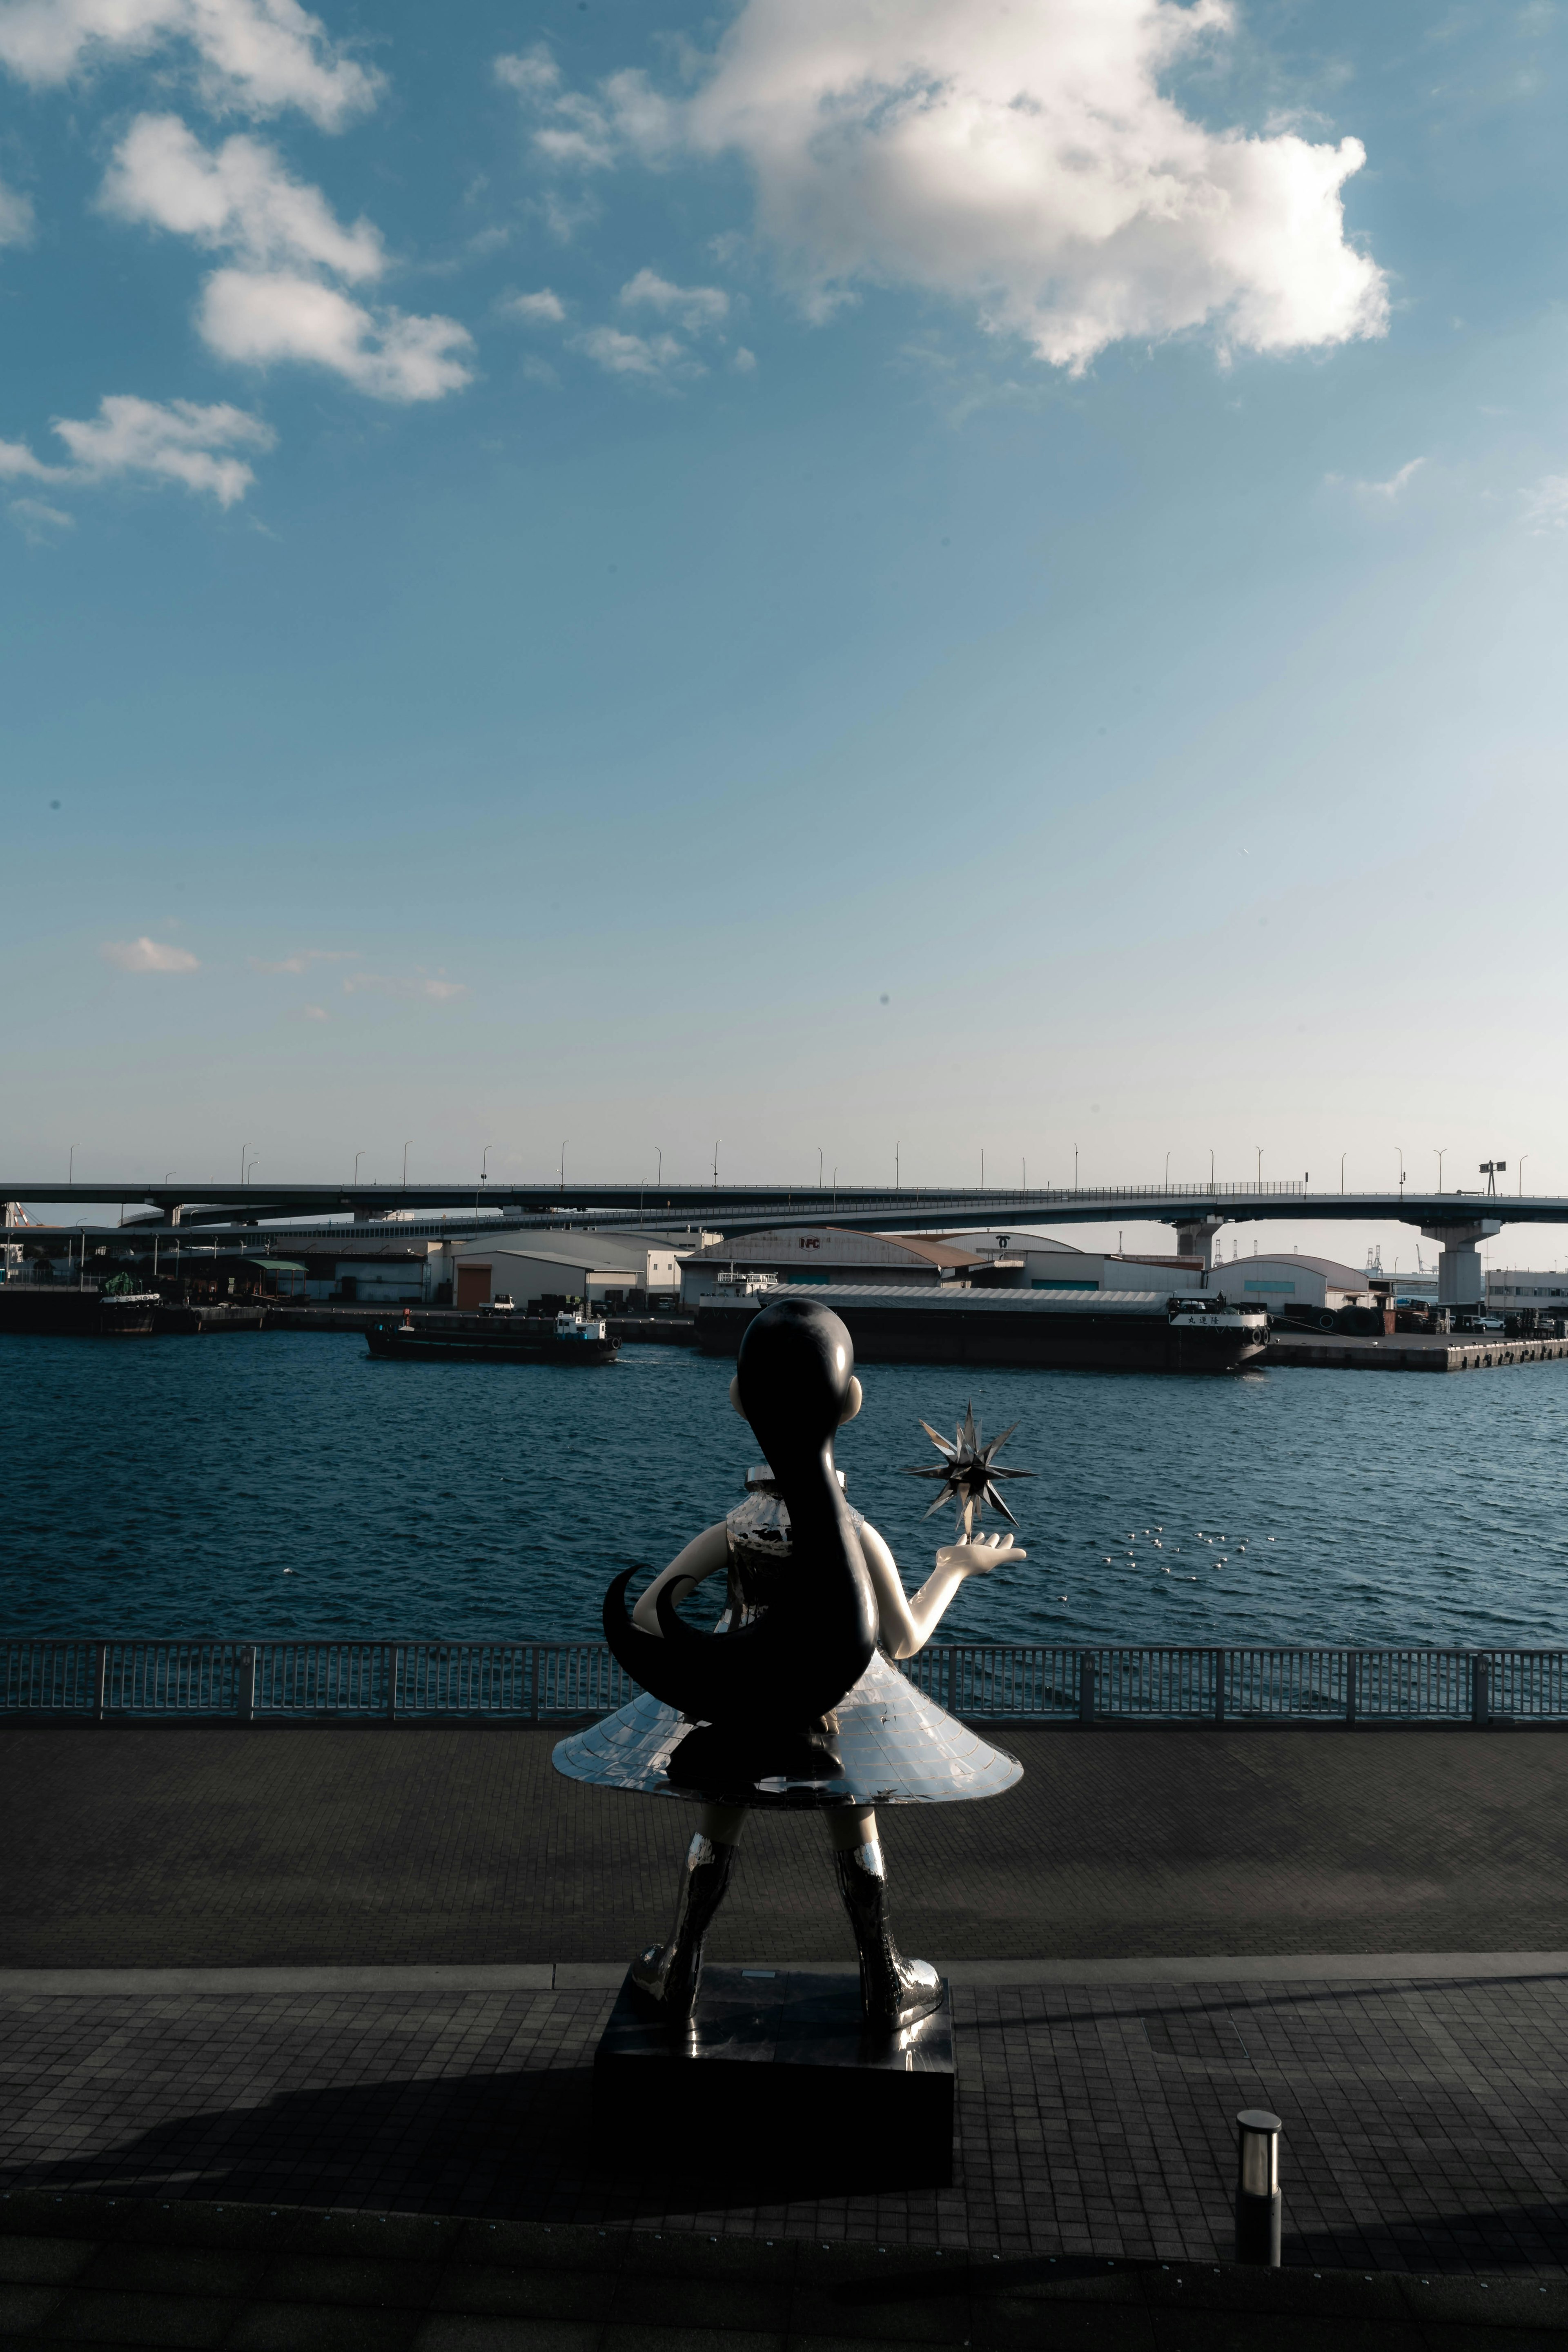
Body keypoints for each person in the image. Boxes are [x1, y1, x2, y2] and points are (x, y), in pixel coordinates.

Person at [555, 1302, 1025, 2034]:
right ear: (852, 1402)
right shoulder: (855, 1534)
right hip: (841, 1712)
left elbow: (647, 1614)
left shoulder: (737, 1528)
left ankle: (680, 1970)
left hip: (738, 1697)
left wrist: (715, 1647)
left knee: (719, 1824)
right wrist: (956, 1569)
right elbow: (899, 1642)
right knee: (855, 1824)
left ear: (740, 1399)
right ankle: (884, 1980)